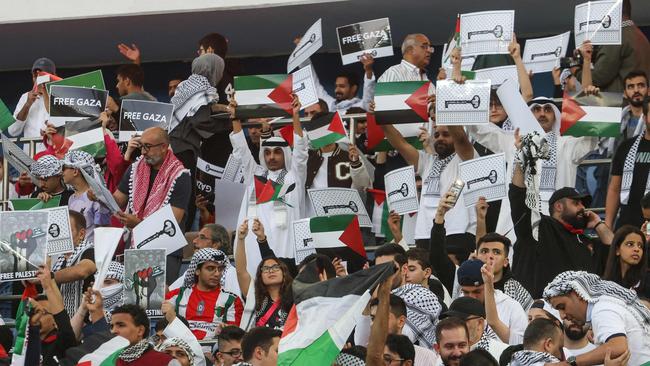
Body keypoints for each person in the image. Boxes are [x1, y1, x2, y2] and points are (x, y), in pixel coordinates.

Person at [511, 136, 614, 297]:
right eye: (576, 203)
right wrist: (520, 159)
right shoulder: (543, 228)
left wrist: (598, 224)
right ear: (559, 206)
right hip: (544, 310)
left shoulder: (586, 241)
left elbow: (613, 250)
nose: (583, 208)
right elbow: (518, 199)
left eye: (583, 204)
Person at [231, 95, 307, 273]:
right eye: (268, 153)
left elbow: (301, 151)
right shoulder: (255, 175)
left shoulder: (294, 176)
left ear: (286, 154)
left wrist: (296, 115)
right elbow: (242, 149)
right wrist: (235, 118)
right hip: (254, 246)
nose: (272, 157)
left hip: (286, 247)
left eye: (277, 152)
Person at [380, 122, 477, 254]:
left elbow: (460, 137)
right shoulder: (427, 161)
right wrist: (382, 119)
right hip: (425, 234)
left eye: (446, 134)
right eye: (436, 135)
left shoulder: (466, 157)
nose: (440, 138)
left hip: (458, 230)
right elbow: (400, 144)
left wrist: (448, 109)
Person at [112, 127, 191, 284]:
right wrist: (99, 195)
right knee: (135, 300)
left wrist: (139, 224)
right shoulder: (136, 168)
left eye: (148, 146)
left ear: (163, 147)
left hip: (165, 250)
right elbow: (118, 201)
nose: (143, 152)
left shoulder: (180, 175)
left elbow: (173, 222)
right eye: (141, 146)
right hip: (136, 244)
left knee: (155, 302)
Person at [544, 271, 650, 365]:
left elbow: (618, 347)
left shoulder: (601, 308)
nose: (562, 316)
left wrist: (570, 363)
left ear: (577, 294)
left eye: (562, 307)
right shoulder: (605, 304)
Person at [166, 248, 243, 340]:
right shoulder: (176, 296)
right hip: (180, 350)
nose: (217, 274)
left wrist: (223, 332)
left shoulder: (232, 300)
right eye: (210, 268)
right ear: (197, 270)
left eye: (220, 269)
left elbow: (233, 338)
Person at [375, 245, 442, 349]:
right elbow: (362, 340)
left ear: (404, 269)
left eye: (388, 268)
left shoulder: (423, 296)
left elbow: (402, 338)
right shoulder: (376, 297)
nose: (383, 274)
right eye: (378, 269)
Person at [576, 0, 650, 93]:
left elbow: (599, 77)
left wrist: (575, 70)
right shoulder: (638, 34)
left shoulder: (616, 38)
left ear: (611, 11)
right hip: (634, 101)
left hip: (619, 103)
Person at [235, 219, 293, 330]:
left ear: (284, 272)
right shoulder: (254, 296)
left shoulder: (295, 298)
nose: (271, 271)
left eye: (275, 267)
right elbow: (240, 271)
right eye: (266, 269)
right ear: (260, 275)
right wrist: (241, 239)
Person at [456, 259, 528, 344]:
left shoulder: (511, 306)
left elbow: (521, 344)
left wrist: (495, 323)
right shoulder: (457, 307)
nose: (472, 297)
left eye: (477, 292)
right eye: (466, 292)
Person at [607, 98, 650, 229]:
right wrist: (608, 225)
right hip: (628, 223)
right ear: (645, 117)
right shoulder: (626, 147)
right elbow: (614, 188)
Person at [25, 266, 77, 366]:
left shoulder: (63, 343)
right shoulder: (25, 344)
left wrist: (48, 287)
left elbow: (63, 322)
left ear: (55, 321)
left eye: (43, 312)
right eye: (36, 312)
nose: (38, 316)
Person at [368, 294, 439, 366]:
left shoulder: (426, 358)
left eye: (382, 318)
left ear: (401, 321)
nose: (374, 324)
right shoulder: (363, 353)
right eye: (373, 318)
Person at [51, 210, 96, 316]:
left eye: (66, 231)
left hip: (85, 323)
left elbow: (81, 271)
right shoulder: (58, 258)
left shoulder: (91, 250)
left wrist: (48, 277)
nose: (61, 235)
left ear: (81, 234)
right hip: (62, 322)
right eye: (59, 230)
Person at [62, 150, 111, 242]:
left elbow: (103, 231)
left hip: (91, 252)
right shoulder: (71, 198)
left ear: (75, 171)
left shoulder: (96, 196)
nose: (62, 172)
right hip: (75, 253)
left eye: (64, 168)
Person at [440, 297, 509, 361]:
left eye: (460, 321)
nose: (454, 326)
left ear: (479, 323)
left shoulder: (502, 354)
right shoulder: (445, 356)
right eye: (451, 320)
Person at [8, 58, 55, 150]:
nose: (38, 79)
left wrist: (45, 92)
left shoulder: (59, 97)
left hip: (53, 158)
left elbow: (65, 128)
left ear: (52, 77)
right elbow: (13, 131)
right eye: (35, 76)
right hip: (30, 157)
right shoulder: (26, 97)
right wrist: (27, 104)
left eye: (42, 76)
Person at [110, 304, 176, 365]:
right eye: (112, 326)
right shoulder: (113, 361)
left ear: (140, 330)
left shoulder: (165, 362)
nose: (113, 331)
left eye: (121, 325)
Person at [603, 225, 650, 299]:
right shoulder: (605, 283)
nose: (637, 249)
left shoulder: (647, 280)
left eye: (640, 246)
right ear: (617, 250)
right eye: (630, 244)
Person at [157, 300, 205, 366]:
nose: (173, 358)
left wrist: (172, 318)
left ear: (190, 360)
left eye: (180, 354)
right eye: (167, 354)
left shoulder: (194, 358)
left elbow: (196, 355)